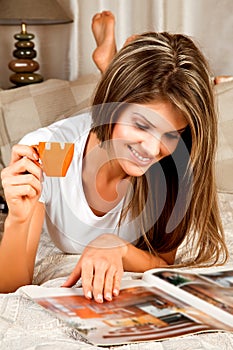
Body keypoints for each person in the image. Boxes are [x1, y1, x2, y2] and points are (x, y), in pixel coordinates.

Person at [0, 11, 228, 302]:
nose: (151, 149)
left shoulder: (175, 158)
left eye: (170, 134)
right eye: (142, 126)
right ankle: (109, 63)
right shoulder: (56, 152)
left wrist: (117, 247)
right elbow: (10, 290)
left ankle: (111, 63)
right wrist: (18, 220)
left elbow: (163, 261)